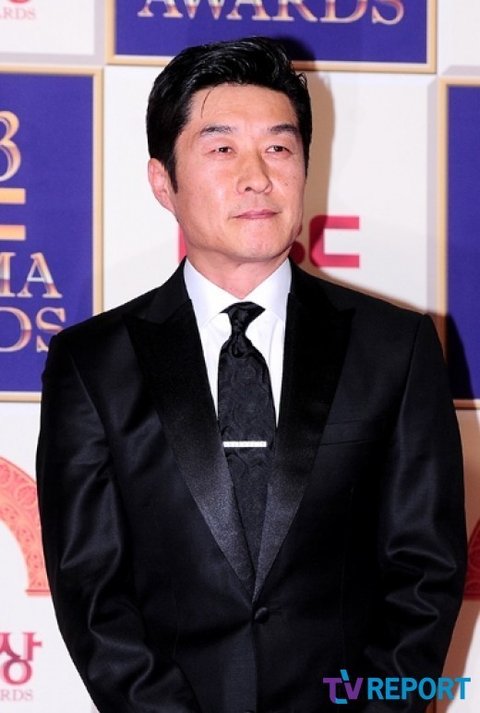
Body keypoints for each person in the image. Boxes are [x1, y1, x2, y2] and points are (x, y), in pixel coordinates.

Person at [36, 36, 466, 713]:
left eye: (278, 147)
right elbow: (91, 591)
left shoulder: (397, 348)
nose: (257, 176)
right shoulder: (92, 365)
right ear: (163, 182)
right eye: (222, 149)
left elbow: (427, 573)